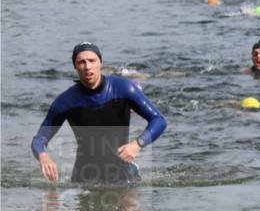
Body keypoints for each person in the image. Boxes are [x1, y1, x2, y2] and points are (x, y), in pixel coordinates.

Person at [31, 42, 168, 186]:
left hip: (123, 174)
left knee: (131, 207)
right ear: (75, 67)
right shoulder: (66, 101)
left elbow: (159, 120)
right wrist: (43, 156)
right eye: (81, 62)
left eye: (92, 60)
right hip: (83, 177)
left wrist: (137, 144)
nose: (87, 67)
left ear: (100, 62)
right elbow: (39, 139)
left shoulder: (123, 88)